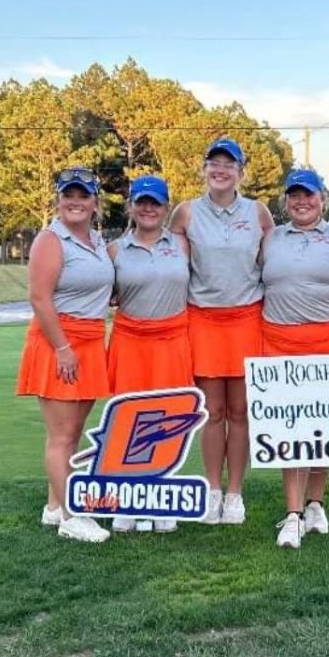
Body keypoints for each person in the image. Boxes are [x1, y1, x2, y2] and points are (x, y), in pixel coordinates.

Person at [170, 138, 273, 524]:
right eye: (214, 163)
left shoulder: (259, 213)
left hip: (247, 318)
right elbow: (173, 268)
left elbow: (269, 263)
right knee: (213, 411)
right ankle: (213, 488)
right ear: (204, 169)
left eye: (229, 164)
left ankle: (235, 494)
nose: (221, 170)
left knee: (240, 411)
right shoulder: (186, 213)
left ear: (241, 172)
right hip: (204, 319)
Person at [259, 167, 329, 548]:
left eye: (310, 195)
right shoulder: (270, 238)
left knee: (324, 428)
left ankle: (315, 502)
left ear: (323, 199)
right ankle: (292, 513)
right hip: (281, 341)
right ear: (286, 200)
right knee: (289, 429)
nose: (302, 201)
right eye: (294, 195)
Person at [16, 167, 114, 544]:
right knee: (61, 435)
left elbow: (100, 285)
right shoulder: (50, 240)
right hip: (60, 343)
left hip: (89, 341)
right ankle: (73, 516)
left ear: (95, 202)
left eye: (83, 195)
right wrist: (62, 348)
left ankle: (54, 505)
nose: (75, 201)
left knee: (72, 431)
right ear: (58, 199)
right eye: (68, 195)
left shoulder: (96, 241)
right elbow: (39, 297)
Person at [106, 173, 191, 535]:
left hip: (173, 337)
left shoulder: (183, 244)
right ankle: (129, 499)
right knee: (129, 417)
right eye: (141, 202)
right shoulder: (114, 250)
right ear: (130, 207)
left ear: (166, 207)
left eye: (155, 202)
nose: (148, 209)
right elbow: (104, 294)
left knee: (169, 417)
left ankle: (160, 498)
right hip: (130, 338)